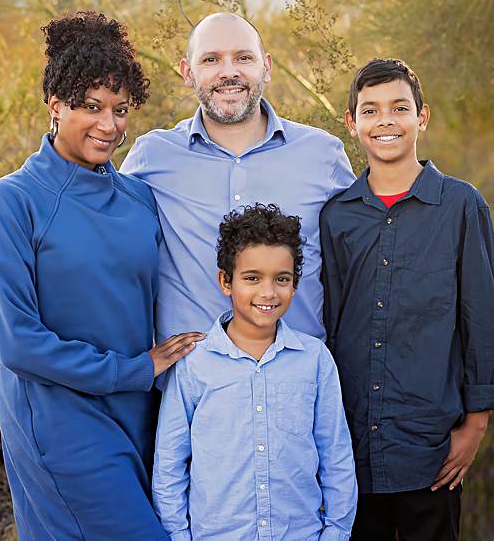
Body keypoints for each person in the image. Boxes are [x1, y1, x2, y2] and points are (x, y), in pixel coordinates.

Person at [0, 10, 203, 541]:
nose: (109, 125)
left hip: (140, 412)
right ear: (55, 106)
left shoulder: (139, 197)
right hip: (59, 419)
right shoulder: (11, 202)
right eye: (91, 107)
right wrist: (136, 368)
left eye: (121, 110)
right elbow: (21, 343)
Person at [320, 59, 494, 541]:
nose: (386, 121)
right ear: (352, 122)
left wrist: (476, 425)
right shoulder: (337, 216)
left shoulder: (461, 206)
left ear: (422, 117)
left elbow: (481, 318)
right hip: (352, 443)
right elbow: (332, 320)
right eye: (371, 110)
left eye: (399, 108)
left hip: (431, 447)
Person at [122, 13, 356, 340]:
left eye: (244, 58)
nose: (229, 71)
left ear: (267, 67)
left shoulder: (323, 155)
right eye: (211, 59)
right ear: (187, 72)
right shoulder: (152, 157)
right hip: (192, 381)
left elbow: (358, 267)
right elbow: (113, 255)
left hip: (298, 377)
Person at [153, 204, 358, 541]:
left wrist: (335, 532)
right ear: (226, 281)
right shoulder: (194, 364)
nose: (268, 292)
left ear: (294, 285)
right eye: (252, 278)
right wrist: (177, 534)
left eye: (282, 279)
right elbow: (170, 465)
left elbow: (335, 456)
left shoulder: (314, 359)